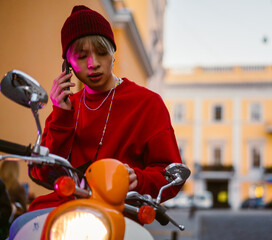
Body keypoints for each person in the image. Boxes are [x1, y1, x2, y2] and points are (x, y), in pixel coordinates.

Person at [28, 5, 183, 211]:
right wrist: (61, 116)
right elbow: (43, 173)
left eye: (101, 53)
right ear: (68, 65)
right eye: (82, 57)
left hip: (121, 214)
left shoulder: (147, 103)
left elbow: (170, 175)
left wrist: (140, 178)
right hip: (68, 213)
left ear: (113, 53)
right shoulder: (66, 106)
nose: (93, 63)